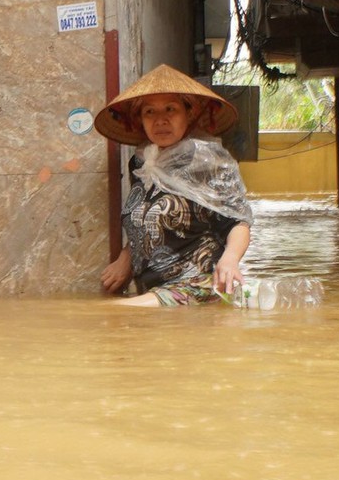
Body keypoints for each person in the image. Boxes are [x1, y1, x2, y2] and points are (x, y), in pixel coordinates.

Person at [95, 64, 253, 307]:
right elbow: (147, 219)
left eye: (171, 109)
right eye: (150, 112)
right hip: (152, 290)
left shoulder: (209, 163)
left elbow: (236, 222)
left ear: (188, 114)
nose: (161, 120)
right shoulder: (141, 164)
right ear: (140, 119)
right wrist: (125, 258)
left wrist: (230, 260)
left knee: (104, 314)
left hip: (198, 286)